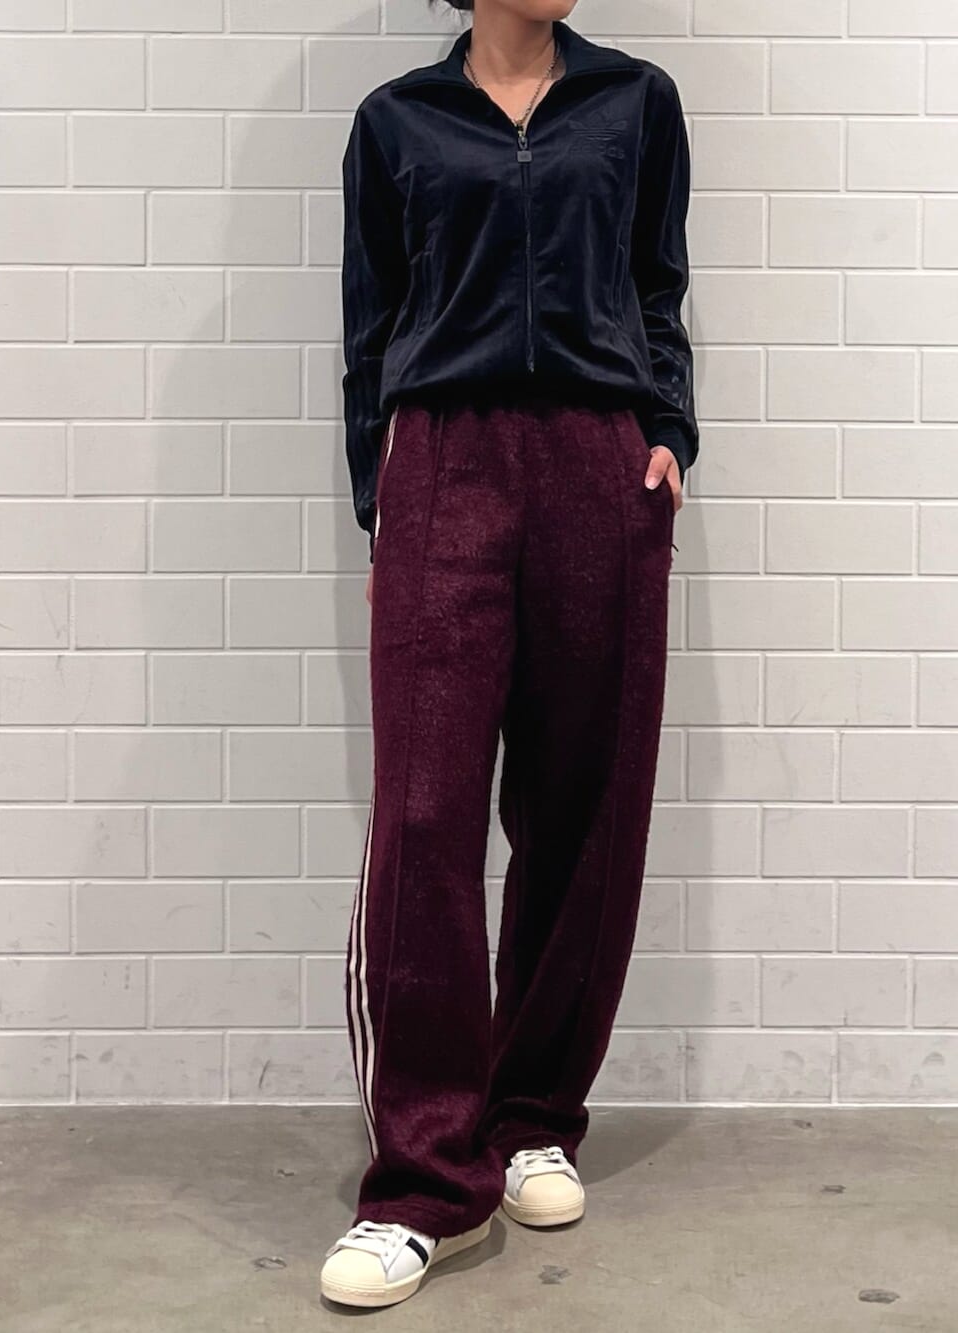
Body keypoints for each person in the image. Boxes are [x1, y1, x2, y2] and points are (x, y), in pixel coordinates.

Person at [322, 0, 697, 1308]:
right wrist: (382, 493)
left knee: (583, 799)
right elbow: (370, 322)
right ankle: (422, 1176)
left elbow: (658, 284)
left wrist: (670, 429)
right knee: (425, 815)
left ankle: (534, 1113)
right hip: (446, 457)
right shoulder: (398, 122)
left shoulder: (636, 101)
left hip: (600, 458)